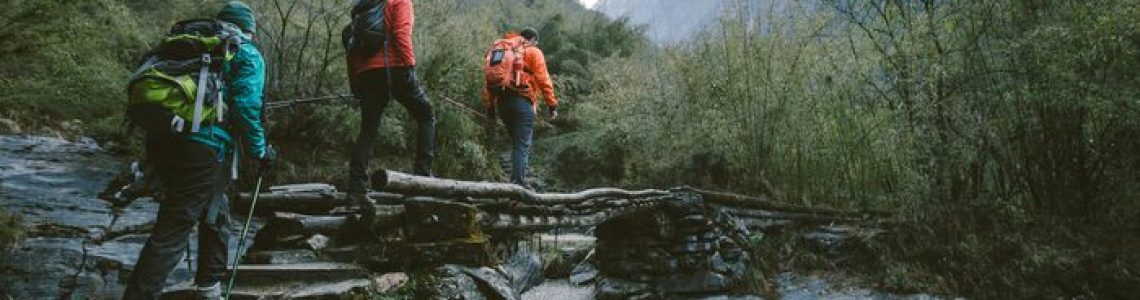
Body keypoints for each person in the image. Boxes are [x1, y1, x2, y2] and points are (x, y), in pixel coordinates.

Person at [122, 2, 273, 299]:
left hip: (165, 139)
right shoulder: (244, 51)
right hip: (203, 145)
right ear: (248, 29)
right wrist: (260, 150)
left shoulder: (188, 48)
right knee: (175, 226)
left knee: (216, 211)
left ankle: (209, 286)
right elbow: (245, 105)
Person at [346, 0, 436, 206]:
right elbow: (400, 34)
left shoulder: (362, 10)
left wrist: (355, 85)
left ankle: (356, 190)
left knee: (368, 130)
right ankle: (422, 178)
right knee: (426, 115)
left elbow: (351, 52)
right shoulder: (399, 2)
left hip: (366, 73)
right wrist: (409, 65)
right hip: (393, 67)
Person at [482, 28, 559, 188]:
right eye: (536, 42)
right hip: (522, 102)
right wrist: (552, 105)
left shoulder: (501, 50)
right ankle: (517, 186)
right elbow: (543, 79)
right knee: (521, 145)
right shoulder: (533, 52)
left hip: (502, 103)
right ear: (532, 40)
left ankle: (517, 181)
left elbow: (488, 81)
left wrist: (490, 109)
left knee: (517, 143)